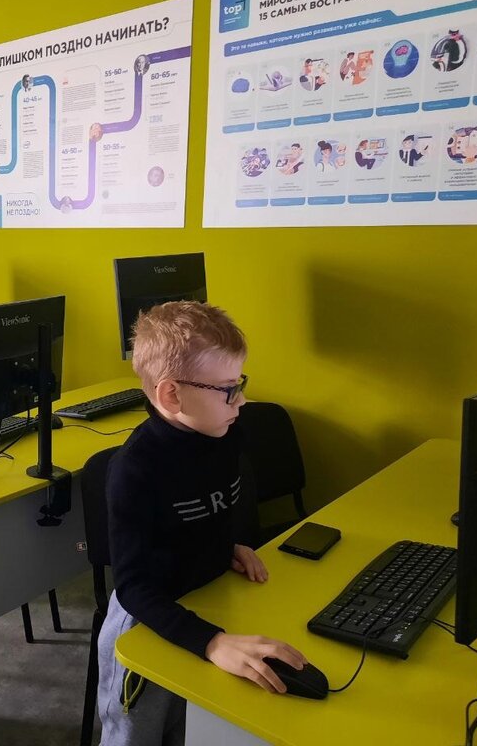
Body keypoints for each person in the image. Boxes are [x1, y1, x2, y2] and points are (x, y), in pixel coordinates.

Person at [97, 301, 307, 746]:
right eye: (228, 389)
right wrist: (211, 642)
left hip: (210, 599)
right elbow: (133, 588)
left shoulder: (224, 433)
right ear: (171, 396)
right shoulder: (134, 471)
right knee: (138, 736)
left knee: (195, 729)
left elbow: (210, 507)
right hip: (148, 623)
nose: (241, 400)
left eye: (240, 384)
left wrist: (225, 546)